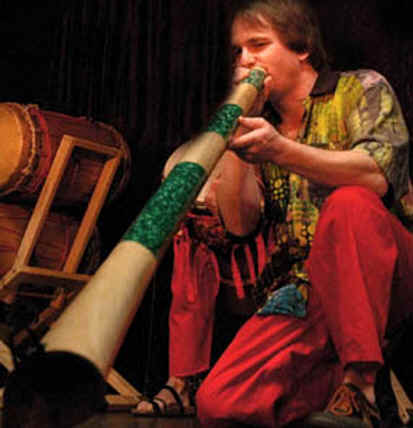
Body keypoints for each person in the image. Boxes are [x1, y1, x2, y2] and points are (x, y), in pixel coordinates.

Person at [191, 0, 413, 427]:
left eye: (258, 45)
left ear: (302, 48)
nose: (244, 60)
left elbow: (376, 176)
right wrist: (236, 139)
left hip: (389, 274)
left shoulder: (361, 88)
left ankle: (362, 386)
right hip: (307, 289)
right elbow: (239, 224)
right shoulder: (264, 127)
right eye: (238, 51)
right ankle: (340, 394)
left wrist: (280, 150)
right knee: (219, 403)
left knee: (348, 203)